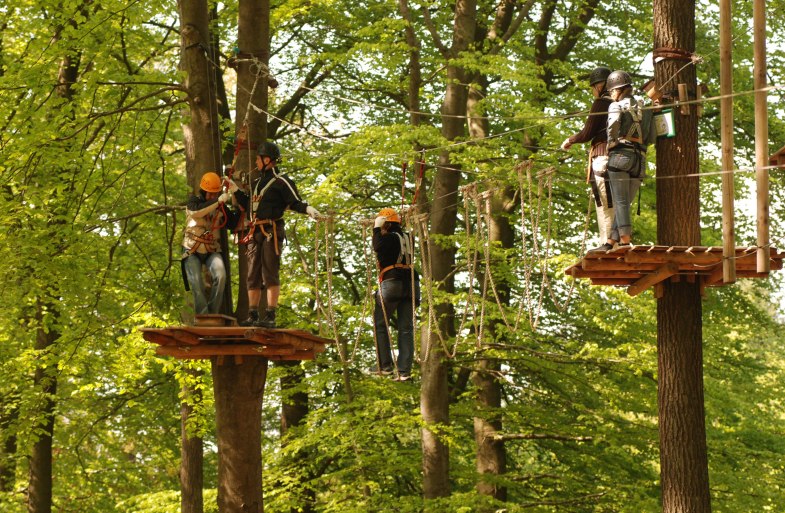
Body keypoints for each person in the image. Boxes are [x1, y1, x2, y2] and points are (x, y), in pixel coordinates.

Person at [232, 141, 321, 328]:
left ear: (267, 160)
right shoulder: (256, 183)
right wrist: (233, 189)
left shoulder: (282, 181)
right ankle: (253, 314)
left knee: (270, 272)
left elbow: (295, 202)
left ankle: (270, 314)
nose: (255, 161)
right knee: (252, 275)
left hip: (271, 230)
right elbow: (248, 205)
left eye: (258, 158)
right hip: (254, 231)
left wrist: (308, 209)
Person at [561, 66, 616, 251]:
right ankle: (607, 242)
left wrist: (570, 140)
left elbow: (587, 133)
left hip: (603, 158)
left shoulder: (602, 103)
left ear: (601, 85)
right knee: (606, 203)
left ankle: (609, 244)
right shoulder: (620, 105)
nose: (593, 91)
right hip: (616, 160)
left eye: (594, 87)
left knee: (606, 204)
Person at [182, 171, 242, 315]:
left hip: (211, 250)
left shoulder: (219, 205)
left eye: (214, 194)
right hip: (191, 249)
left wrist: (236, 195)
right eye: (209, 193)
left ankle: (213, 314)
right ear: (203, 191)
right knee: (196, 282)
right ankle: (203, 316)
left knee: (221, 275)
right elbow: (197, 212)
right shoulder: (194, 202)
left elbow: (233, 224)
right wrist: (218, 201)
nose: (212, 196)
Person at [371, 207, 420, 381]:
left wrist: (377, 228)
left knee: (380, 324)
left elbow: (377, 246)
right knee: (406, 329)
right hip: (412, 285)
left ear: (386, 225)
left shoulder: (388, 238)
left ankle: (384, 366)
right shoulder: (409, 238)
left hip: (392, 283)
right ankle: (404, 370)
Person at [605, 70, 647, 249]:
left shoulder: (616, 106)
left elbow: (613, 125)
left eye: (612, 91)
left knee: (620, 202)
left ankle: (625, 241)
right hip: (640, 160)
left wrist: (611, 143)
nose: (612, 95)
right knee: (625, 204)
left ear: (619, 90)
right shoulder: (644, 107)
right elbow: (650, 134)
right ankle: (611, 241)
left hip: (621, 156)